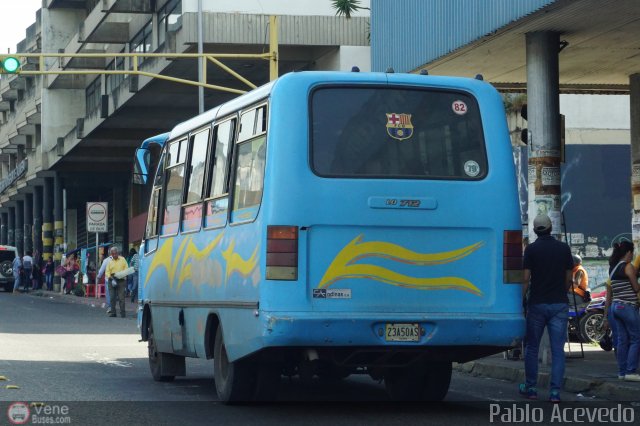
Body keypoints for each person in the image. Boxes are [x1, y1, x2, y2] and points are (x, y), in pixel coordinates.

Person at [520, 214, 573, 403]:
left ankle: (531, 387)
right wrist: (561, 292)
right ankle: (555, 392)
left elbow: (525, 279)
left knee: (532, 347)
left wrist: (520, 301)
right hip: (559, 304)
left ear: (535, 230)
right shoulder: (564, 249)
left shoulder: (531, 250)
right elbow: (569, 278)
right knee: (558, 349)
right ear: (551, 228)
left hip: (537, 304)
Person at [603, 241, 640, 382]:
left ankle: (622, 372)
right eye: (632, 253)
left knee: (622, 340)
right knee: (636, 339)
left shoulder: (613, 268)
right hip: (627, 307)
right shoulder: (628, 267)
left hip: (616, 307)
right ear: (629, 253)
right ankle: (631, 371)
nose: (633, 255)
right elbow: (636, 288)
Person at [105, 247, 129, 318]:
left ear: (118, 253)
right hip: (111, 279)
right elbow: (107, 272)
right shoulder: (109, 262)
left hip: (121, 280)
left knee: (121, 298)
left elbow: (126, 269)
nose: (114, 255)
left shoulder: (123, 259)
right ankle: (113, 312)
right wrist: (111, 278)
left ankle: (123, 313)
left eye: (115, 253)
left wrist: (122, 275)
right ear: (111, 254)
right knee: (112, 297)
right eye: (113, 254)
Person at [97, 248, 113, 314]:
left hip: (108, 279)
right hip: (117, 279)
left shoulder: (106, 260)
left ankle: (110, 307)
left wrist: (98, 277)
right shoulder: (120, 259)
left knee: (109, 293)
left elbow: (101, 271)